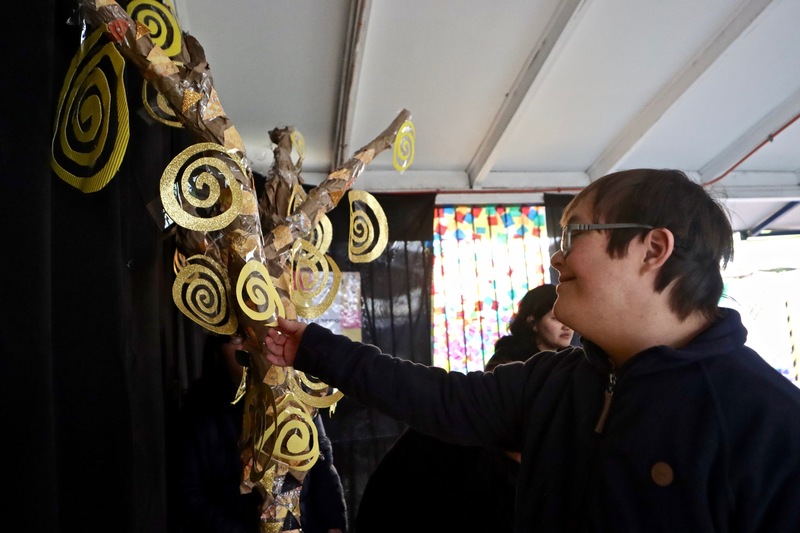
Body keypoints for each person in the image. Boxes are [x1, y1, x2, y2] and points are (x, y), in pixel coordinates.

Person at [263, 169, 800, 532]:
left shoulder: (769, 425)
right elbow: (436, 397)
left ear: (653, 249)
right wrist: (309, 344)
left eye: (573, 236)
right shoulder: (558, 381)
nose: (556, 260)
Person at [178, 334, 347, 533]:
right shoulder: (200, 409)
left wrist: (334, 523)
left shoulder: (293, 394)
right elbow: (191, 495)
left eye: (254, 333)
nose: (249, 345)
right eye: (236, 339)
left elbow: (322, 463)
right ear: (217, 348)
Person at [488, 283, 574, 368]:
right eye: (556, 318)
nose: (566, 326)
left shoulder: (573, 360)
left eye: (570, 317)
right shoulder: (507, 362)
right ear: (533, 323)